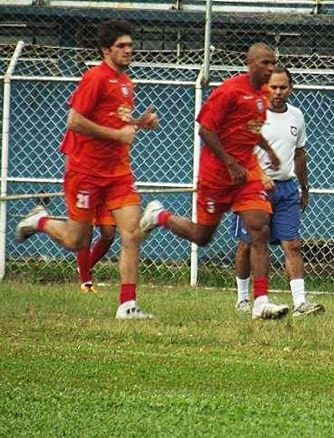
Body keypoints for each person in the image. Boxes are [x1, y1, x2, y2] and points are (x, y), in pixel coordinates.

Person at [15, 19, 160, 319]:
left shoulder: (126, 82)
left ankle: (127, 305)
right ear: (106, 50)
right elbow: (75, 120)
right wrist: (118, 135)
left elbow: (113, 120)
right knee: (75, 240)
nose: (128, 50)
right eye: (121, 46)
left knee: (131, 232)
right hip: (86, 171)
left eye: (131, 45)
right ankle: (41, 220)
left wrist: (137, 124)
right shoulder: (95, 78)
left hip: (118, 171)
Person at [140, 43, 289, 320]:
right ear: (251, 63)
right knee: (202, 236)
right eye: (265, 63)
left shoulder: (262, 95)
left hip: (245, 175)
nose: (270, 68)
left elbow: (249, 129)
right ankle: (159, 216)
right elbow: (205, 129)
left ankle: (260, 301)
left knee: (260, 230)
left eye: (273, 62)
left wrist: (267, 150)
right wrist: (229, 162)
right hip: (217, 174)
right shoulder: (230, 90)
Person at [231, 66, 324, 317]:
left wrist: (304, 187)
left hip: (287, 189)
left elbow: (300, 154)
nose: (278, 92)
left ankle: (300, 303)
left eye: (283, 87)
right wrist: (259, 176)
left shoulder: (296, 116)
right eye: (274, 87)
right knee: (247, 246)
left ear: (290, 89)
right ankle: (242, 298)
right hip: (254, 189)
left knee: (292, 244)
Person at [76, 208, 116, 294]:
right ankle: (86, 283)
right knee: (85, 234)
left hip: (106, 196)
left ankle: (84, 268)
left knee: (109, 234)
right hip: (87, 196)